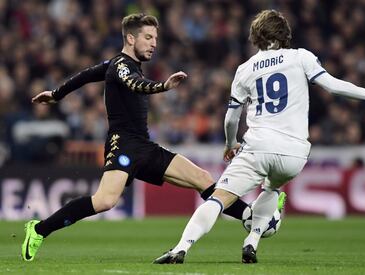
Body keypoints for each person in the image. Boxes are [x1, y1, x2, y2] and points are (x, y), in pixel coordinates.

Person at [153, 9, 365, 264]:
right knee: (272, 187)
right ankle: (251, 242)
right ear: (285, 35)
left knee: (219, 198)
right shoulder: (300, 57)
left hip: (258, 146)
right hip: (294, 153)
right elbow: (333, 85)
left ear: (255, 36)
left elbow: (231, 118)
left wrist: (231, 144)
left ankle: (181, 248)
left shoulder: (244, 69)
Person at [22, 13, 255, 262]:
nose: (154, 43)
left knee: (202, 178)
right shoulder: (122, 66)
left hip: (143, 146)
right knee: (104, 201)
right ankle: (37, 230)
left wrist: (57, 94)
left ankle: (251, 217)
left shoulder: (117, 64)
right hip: (122, 145)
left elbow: (86, 75)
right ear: (131, 38)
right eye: (148, 37)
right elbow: (135, 84)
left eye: (155, 37)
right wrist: (162, 86)